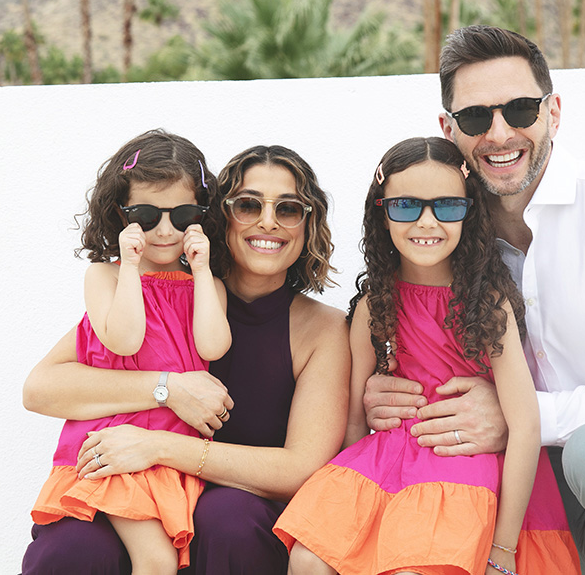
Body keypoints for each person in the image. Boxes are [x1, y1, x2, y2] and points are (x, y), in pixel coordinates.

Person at [364, 25, 585, 574]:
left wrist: (523, 416)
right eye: (476, 118)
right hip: (520, 482)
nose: (499, 134)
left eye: (520, 110)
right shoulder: (439, 233)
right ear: (448, 129)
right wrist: (384, 392)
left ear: (554, 112)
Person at [21, 144, 351, 574]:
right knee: (74, 547)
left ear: (309, 224)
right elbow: (41, 388)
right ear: (219, 215)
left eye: (289, 209)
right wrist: (167, 389)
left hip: (235, 509)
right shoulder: (160, 294)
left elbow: (300, 467)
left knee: (228, 517)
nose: (268, 221)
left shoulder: (322, 328)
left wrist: (158, 446)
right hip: (138, 492)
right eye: (248, 205)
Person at [273, 137, 579, 575]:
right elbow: (357, 423)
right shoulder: (373, 305)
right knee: (307, 558)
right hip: (385, 462)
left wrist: (504, 550)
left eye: (447, 207)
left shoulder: (489, 304)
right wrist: (350, 516)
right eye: (406, 206)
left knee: (412, 568)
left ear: (469, 212)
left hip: (464, 464)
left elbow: (526, 426)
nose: (427, 222)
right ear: (382, 212)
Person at [29, 130, 231, 573]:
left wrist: (200, 271)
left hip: (167, 450)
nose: (164, 230)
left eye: (182, 215)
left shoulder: (208, 285)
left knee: (168, 560)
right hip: (117, 441)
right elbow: (124, 340)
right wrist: (132, 268)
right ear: (120, 214)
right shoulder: (105, 277)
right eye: (145, 214)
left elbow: (213, 346)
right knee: (156, 559)